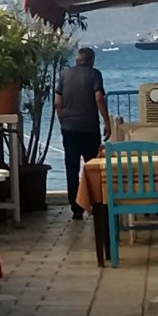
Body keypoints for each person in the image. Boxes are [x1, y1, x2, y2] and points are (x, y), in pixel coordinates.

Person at [58, 47, 112, 219]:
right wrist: (107, 121)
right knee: (93, 167)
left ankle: (76, 208)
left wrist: (62, 120)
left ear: (77, 59)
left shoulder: (64, 74)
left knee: (71, 167)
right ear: (91, 60)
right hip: (89, 128)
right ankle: (96, 205)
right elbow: (99, 98)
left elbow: (58, 102)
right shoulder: (94, 74)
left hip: (69, 129)